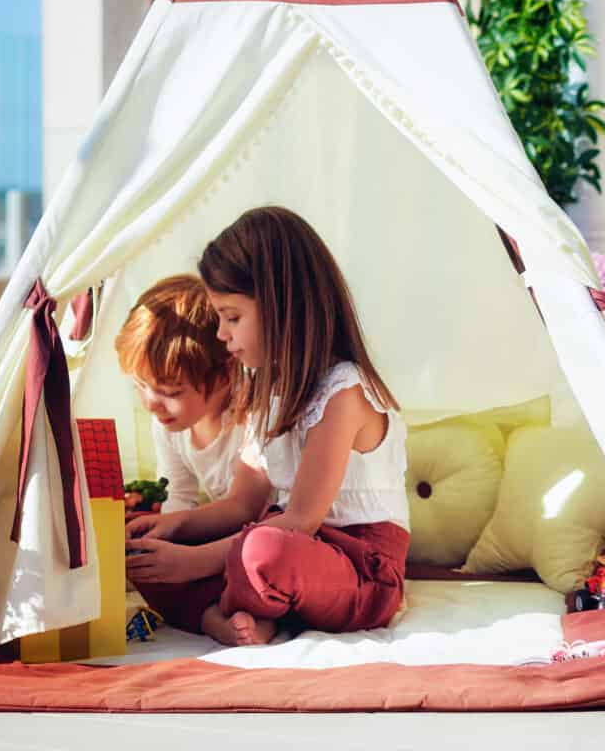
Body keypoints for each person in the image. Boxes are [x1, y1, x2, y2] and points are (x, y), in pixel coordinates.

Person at [126, 206, 410, 647]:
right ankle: (228, 616)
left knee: (264, 551)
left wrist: (193, 563)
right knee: (143, 554)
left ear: (283, 308)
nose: (220, 334)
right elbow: (242, 504)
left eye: (232, 317)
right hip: (287, 546)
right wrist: (175, 528)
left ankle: (236, 606)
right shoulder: (267, 391)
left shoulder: (343, 393)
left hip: (359, 566)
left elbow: (299, 521)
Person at [115, 275, 270, 632]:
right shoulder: (169, 424)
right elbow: (179, 502)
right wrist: (161, 541)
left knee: (261, 564)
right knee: (140, 552)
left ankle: (234, 614)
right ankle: (213, 616)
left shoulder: (256, 416)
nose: (152, 404)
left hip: (260, 539)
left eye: (170, 391)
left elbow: (259, 514)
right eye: (141, 386)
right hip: (218, 540)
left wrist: (190, 556)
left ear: (225, 373)